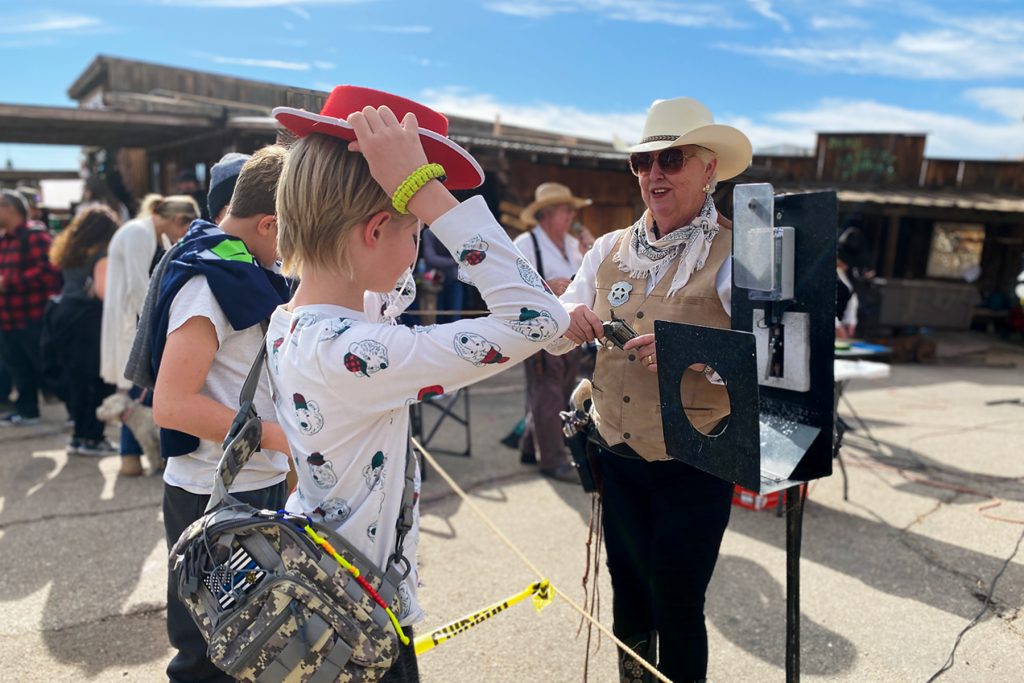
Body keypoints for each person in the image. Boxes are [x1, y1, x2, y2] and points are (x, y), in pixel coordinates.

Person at [268, 87, 569, 681]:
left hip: (323, 598)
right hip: (359, 625)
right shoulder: (358, 353)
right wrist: (429, 195)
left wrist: (413, 194)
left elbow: (390, 285)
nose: (416, 257)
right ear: (377, 229)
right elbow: (539, 317)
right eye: (414, 236)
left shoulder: (296, 321)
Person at [551, 96, 752, 683]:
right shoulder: (610, 247)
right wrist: (567, 322)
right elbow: (559, 329)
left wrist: (693, 355)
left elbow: (770, 360)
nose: (653, 174)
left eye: (671, 158)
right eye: (643, 161)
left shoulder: (740, 255)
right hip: (617, 450)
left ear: (708, 168)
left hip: (696, 458)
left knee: (679, 602)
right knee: (629, 591)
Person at [151, 146, 293, 683]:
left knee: (253, 645)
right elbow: (173, 403)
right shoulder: (208, 280)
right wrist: (284, 439)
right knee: (210, 654)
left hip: (251, 484)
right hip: (215, 495)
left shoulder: (237, 268)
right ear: (269, 223)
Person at [101, 195, 198, 475]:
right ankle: (129, 456)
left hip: (136, 321)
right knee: (137, 391)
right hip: (133, 323)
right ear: (178, 220)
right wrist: (158, 326)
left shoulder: (153, 235)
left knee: (136, 391)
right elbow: (137, 286)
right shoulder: (137, 233)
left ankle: (131, 457)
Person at [512, 182, 591, 482]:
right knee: (547, 391)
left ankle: (530, 447)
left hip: (572, 332)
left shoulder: (573, 246)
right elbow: (510, 289)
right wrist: (546, 288)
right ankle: (553, 460)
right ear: (546, 213)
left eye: (572, 210)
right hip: (538, 332)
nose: (571, 215)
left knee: (562, 390)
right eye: (565, 210)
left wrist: (588, 253)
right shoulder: (525, 243)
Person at [46, 207, 120, 454]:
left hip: (64, 314)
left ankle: (78, 435)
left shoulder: (70, 251)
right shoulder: (101, 254)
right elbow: (103, 291)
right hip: (89, 319)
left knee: (76, 379)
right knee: (96, 380)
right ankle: (93, 437)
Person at [0, 190, 62, 426]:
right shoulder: (4, 239)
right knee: (19, 369)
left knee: (47, 368)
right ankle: (28, 412)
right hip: (8, 318)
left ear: (10, 209)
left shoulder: (35, 236)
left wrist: (9, 282)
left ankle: (80, 419)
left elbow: (49, 271)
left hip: (33, 317)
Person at [420, 229, 463, 323]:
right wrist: (454, 261)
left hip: (454, 279)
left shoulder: (456, 232)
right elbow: (430, 258)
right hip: (435, 281)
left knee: (454, 318)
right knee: (437, 319)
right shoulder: (429, 232)